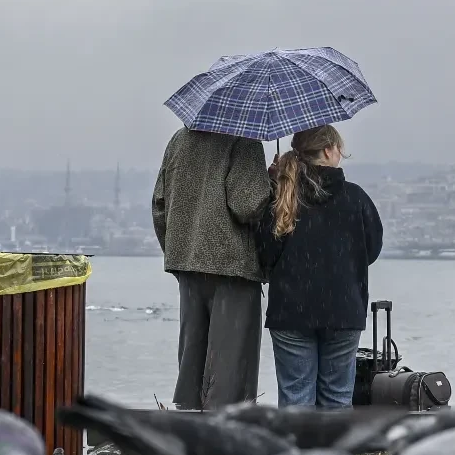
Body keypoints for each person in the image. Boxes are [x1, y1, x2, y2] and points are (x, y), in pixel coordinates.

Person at [256, 124, 384, 408]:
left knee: (295, 399)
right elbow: (372, 251)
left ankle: (297, 452)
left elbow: (265, 254)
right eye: (339, 148)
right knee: (338, 399)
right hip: (343, 310)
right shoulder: (356, 198)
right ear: (328, 151)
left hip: (291, 312)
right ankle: (334, 453)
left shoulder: (283, 197)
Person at [151, 127, 271, 410]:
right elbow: (247, 205)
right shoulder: (244, 139)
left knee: (191, 364)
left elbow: (159, 204)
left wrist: (178, 250)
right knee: (230, 370)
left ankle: (190, 432)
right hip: (233, 268)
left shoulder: (179, 139)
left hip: (187, 264)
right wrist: (271, 183)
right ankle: (224, 439)